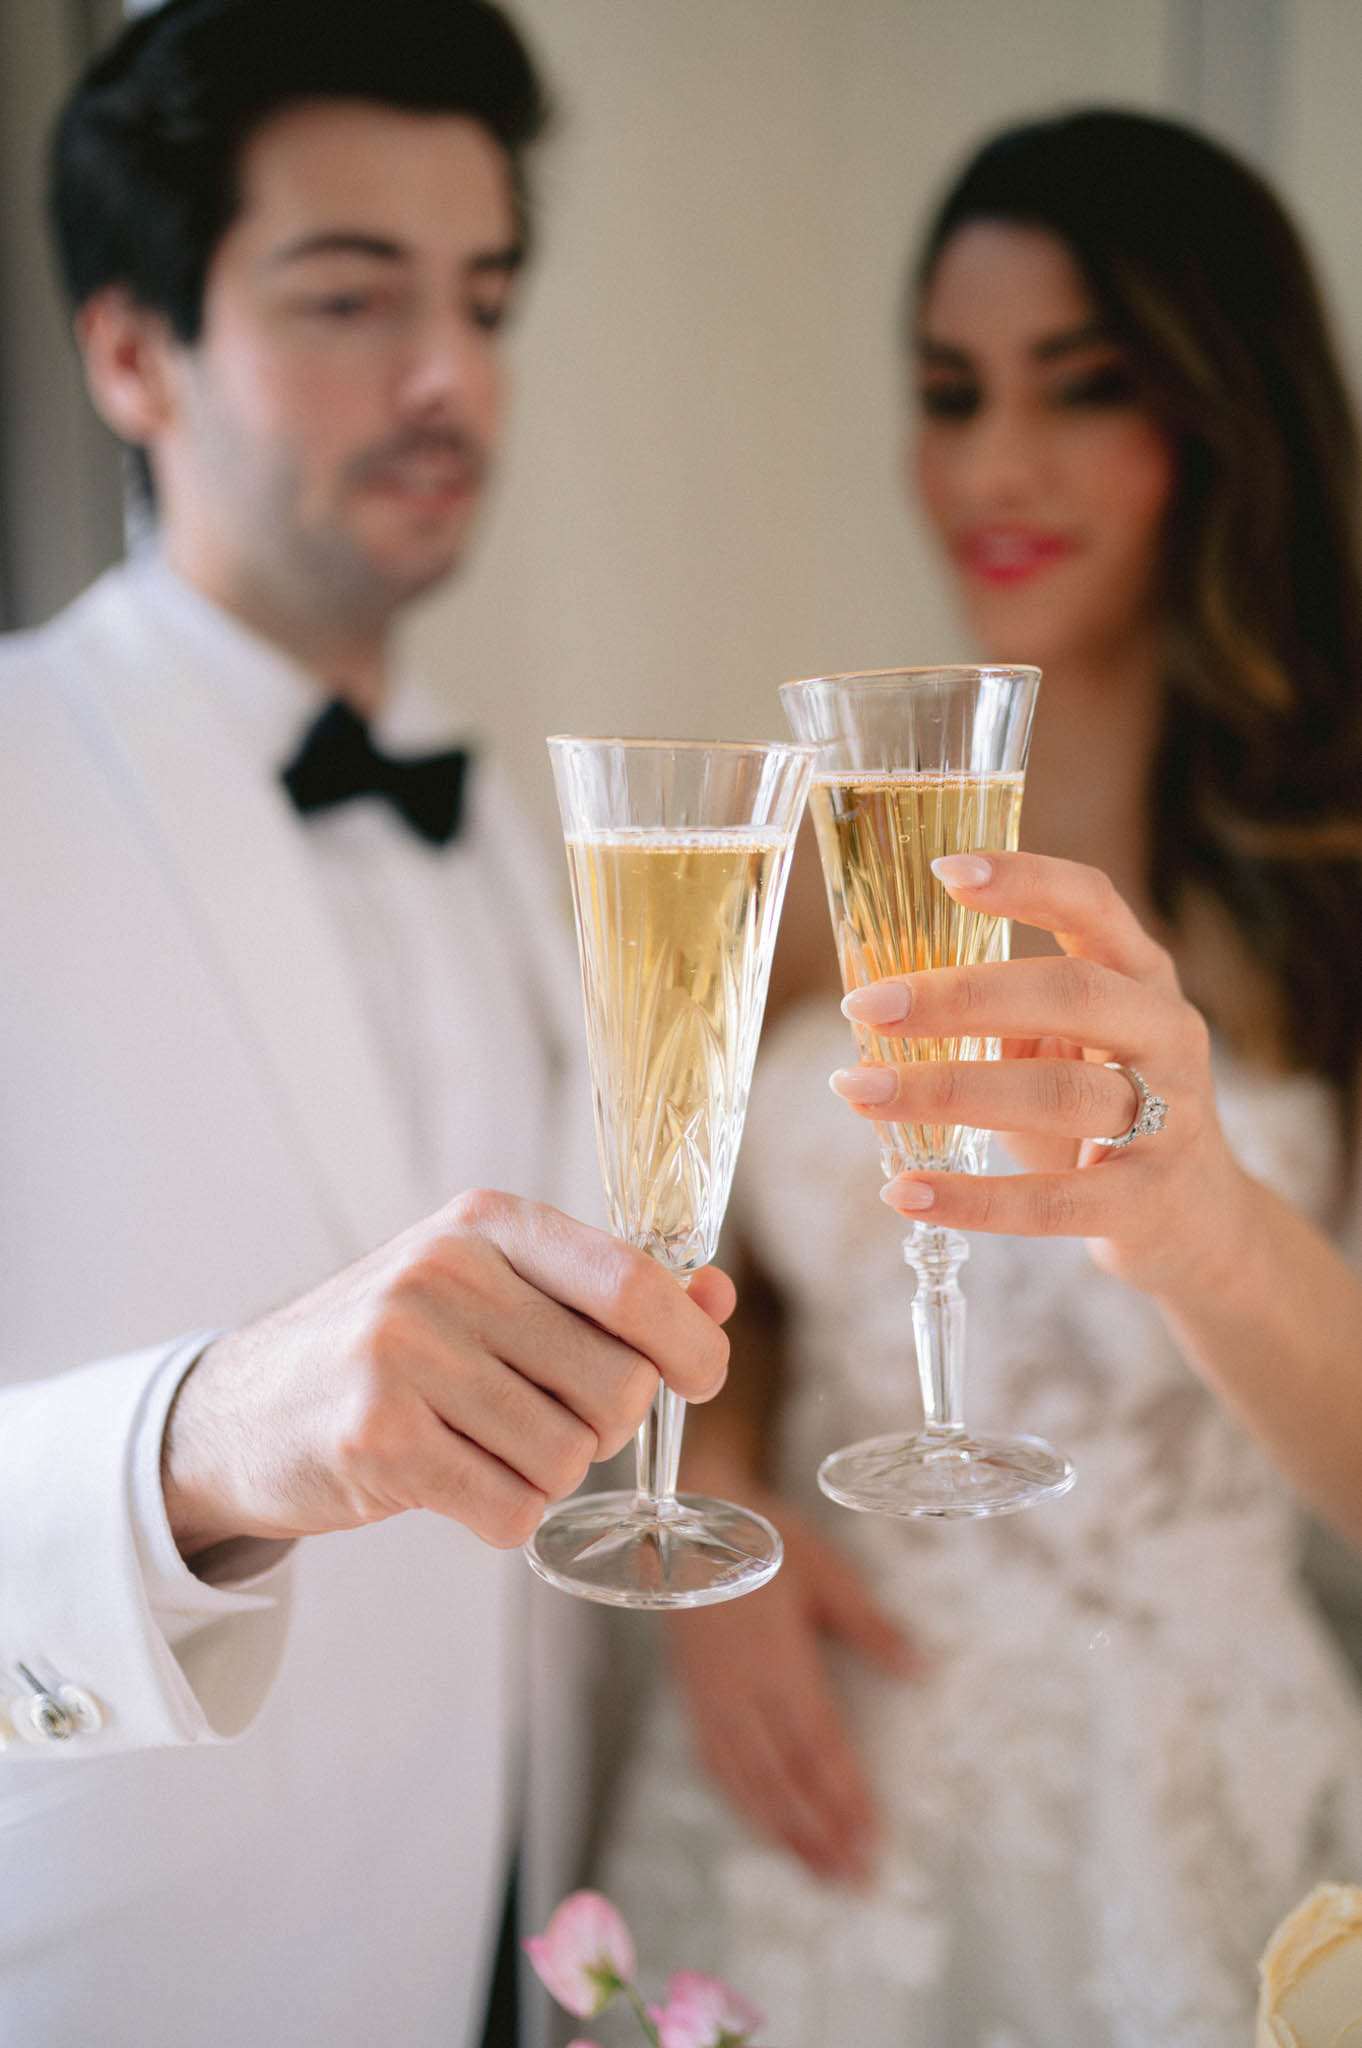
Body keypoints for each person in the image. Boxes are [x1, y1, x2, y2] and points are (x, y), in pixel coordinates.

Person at [0, 5, 736, 2046]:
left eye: (485, 299)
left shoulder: (518, 840)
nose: (449, 378)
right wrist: (211, 1436)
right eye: (351, 299)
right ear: (130, 345)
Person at [598, 108, 1362, 2046]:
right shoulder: (816, 855)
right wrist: (734, 1503)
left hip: (1180, 1807)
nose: (991, 466)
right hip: (812, 1788)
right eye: (949, 392)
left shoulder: (1336, 892)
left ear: (1221, 416)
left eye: (1081, 389)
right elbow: (741, 1272)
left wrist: (1200, 1222)